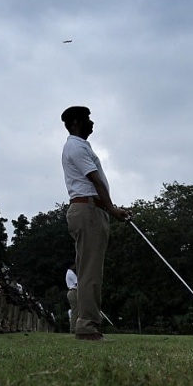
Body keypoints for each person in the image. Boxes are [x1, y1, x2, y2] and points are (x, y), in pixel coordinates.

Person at [60, 105, 131, 341]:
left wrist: (108, 208)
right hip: (88, 209)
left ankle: (87, 322)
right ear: (76, 123)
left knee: (89, 269)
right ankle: (88, 325)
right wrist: (111, 209)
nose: (92, 123)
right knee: (90, 271)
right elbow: (96, 181)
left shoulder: (81, 146)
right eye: (87, 120)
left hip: (91, 209)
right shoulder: (76, 147)